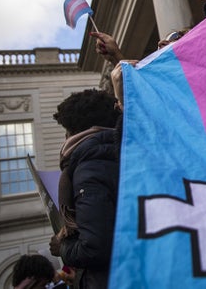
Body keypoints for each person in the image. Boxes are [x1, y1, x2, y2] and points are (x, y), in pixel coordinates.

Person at [49, 89, 122, 289]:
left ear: (75, 131)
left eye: (66, 131)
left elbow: (96, 248)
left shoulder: (90, 165)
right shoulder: (115, 153)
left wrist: (62, 247)